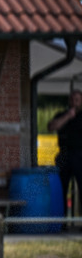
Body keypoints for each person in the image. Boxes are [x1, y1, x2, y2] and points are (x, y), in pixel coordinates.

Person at [48, 89, 82, 218]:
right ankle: (61, 221)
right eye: (72, 100)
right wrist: (68, 116)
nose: (74, 103)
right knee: (61, 188)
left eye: (77, 100)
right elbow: (51, 127)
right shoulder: (61, 115)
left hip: (79, 155)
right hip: (64, 154)